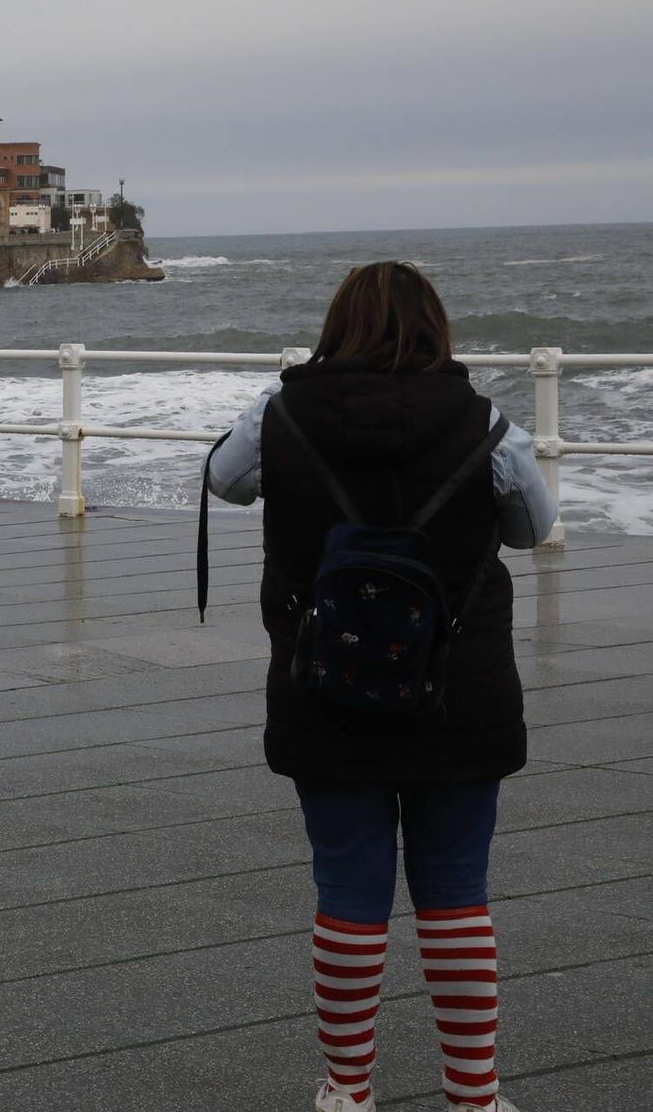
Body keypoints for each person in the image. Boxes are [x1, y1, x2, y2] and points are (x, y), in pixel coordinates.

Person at [206, 261, 556, 1112]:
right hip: (458, 689)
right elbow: (535, 527)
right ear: (436, 327)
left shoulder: (282, 412)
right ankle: (474, 1097)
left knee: (350, 893)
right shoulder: (486, 422)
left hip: (323, 684)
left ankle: (349, 1091)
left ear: (336, 327)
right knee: (456, 893)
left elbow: (225, 479)